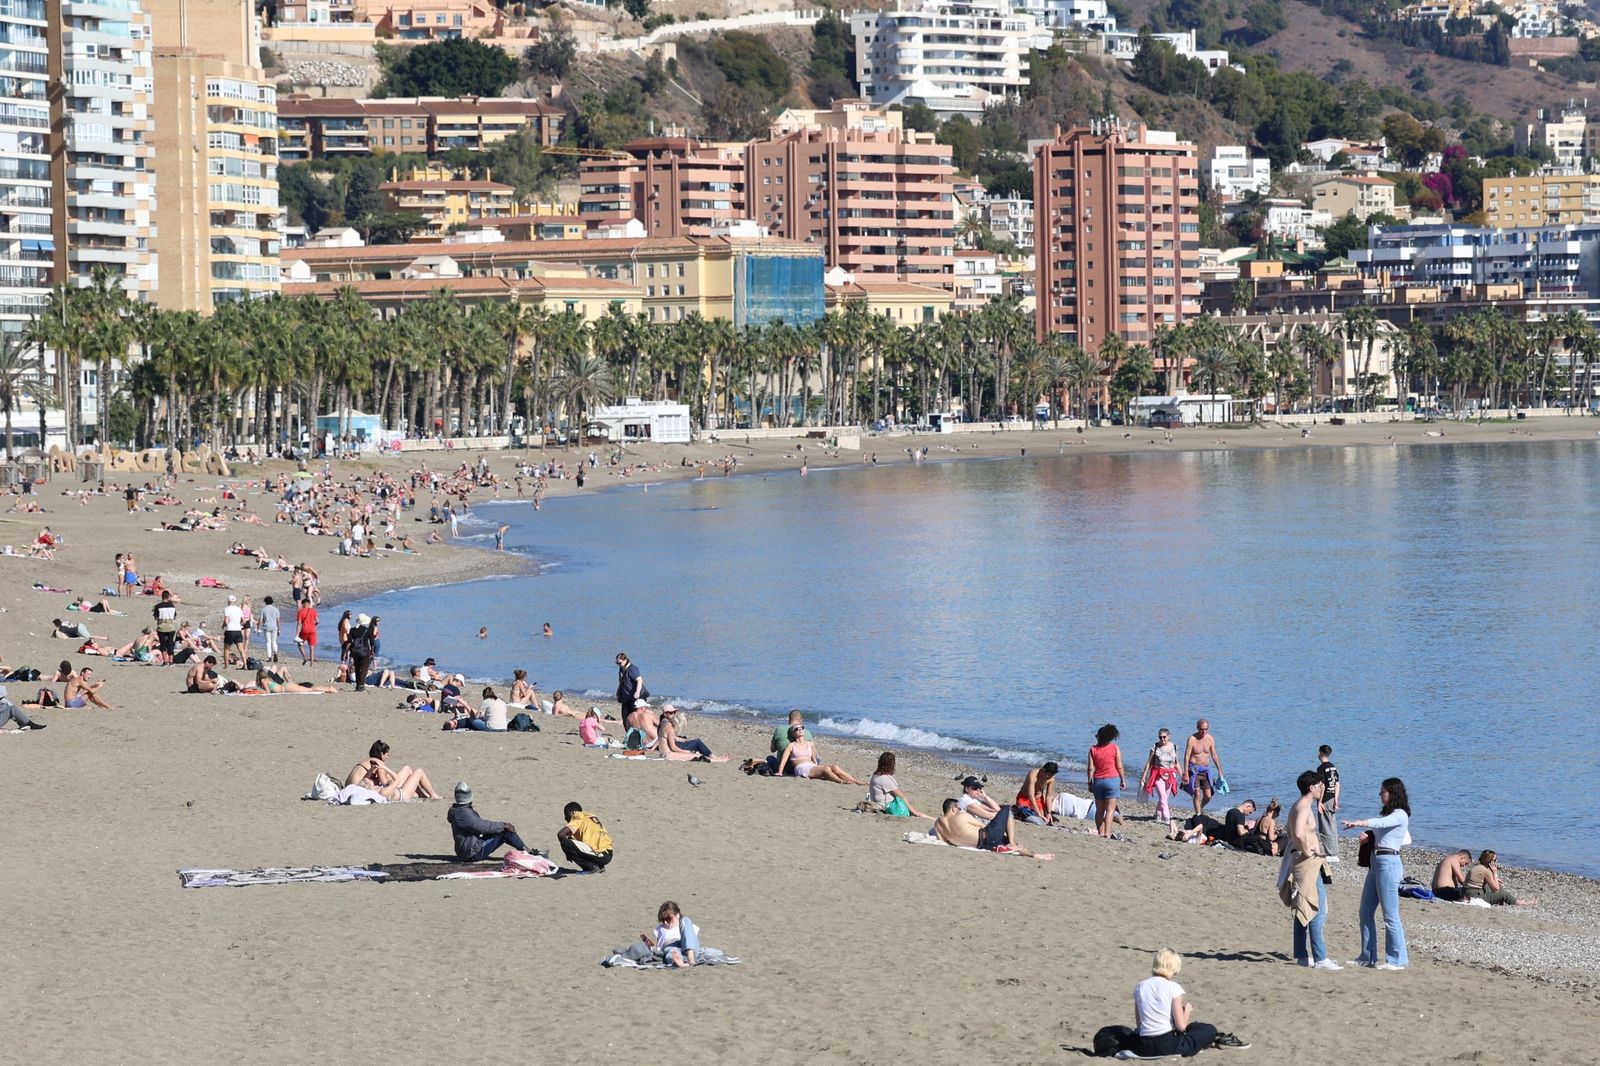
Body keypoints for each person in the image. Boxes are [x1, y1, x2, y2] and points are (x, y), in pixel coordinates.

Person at [1342, 776, 1411, 970]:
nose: (1380, 794)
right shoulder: (1388, 815)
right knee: (1365, 912)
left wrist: (1359, 823)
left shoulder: (1400, 814)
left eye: (1383, 791)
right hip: (1376, 862)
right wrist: (1368, 837)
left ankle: (1397, 960)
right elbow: (1381, 832)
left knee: (1390, 915)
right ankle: (1367, 956)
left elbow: (1382, 825)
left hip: (1388, 864)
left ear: (1393, 793)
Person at [1124, 949, 1246, 1057]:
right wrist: (1187, 1010)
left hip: (1143, 1046)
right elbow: (1181, 1027)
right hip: (1167, 1044)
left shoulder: (1140, 986)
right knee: (1209, 1029)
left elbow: (1140, 1025)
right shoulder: (1173, 987)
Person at [1283, 770, 1339, 970]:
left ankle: (1302, 955)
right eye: (1318, 785)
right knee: (1317, 908)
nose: (1322, 787)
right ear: (1310, 787)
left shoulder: (1300, 805)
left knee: (1303, 907)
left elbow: (1294, 831)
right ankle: (1321, 957)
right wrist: (1307, 850)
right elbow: (1297, 832)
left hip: (1304, 859)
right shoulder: (1304, 806)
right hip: (1306, 862)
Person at [932, 798, 1051, 859]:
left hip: (981, 845)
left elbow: (942, 841)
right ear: (953, 809)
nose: (959, 810)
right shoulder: (962, 816)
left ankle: (1032, 855)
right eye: (958, 808)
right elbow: (983, 826)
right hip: (988, 835)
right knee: (1007, 810)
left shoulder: (938, 824)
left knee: (1004, 839)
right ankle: (1014, 844)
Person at [448, 781, 529, 862]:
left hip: (466, 851)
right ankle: (528, 852)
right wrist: (504, 825)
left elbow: (480, 826)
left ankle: (526, 850)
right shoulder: (463, 813)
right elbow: (482, 827)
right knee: (505, 831)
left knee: (499, 829)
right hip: (471, 854)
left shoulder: (459, 811)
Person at [346, 740, 439, 800]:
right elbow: (383, 782)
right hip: (360, 786)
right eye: (386, 754)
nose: (388, 757)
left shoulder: (365, 761)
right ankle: (432, 794)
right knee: (411, 770)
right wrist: (388, 776)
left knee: (408, 770)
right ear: (381, 754)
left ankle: (422, 794)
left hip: (350, 786)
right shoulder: (378, 762)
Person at [775, 725, 859, 783]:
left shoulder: (810, 744)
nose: (800, 730)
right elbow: (784, 760)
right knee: (826, 769)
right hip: (801, 768)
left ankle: (855, 781)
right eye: (797, 729)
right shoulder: (791, 745)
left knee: (834, 767)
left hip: (812, 766)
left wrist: (816, 765)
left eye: (802, 728)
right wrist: (780, 772)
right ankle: (840, 781)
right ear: (793, 733)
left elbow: (814, 758)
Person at [863, 752, 933, 818]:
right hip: (887, 806)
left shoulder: (875, 775)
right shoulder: (885, 779)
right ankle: (933, 819)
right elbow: (901, 796)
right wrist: (913, 811)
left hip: (878, 802)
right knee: (917, 813)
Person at [1088, 724, 1126, 838]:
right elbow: (1119, 766)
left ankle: (1101, 831)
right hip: (1112, 780)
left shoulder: (1093, 749)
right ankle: (1107, 833)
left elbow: (1090, 768)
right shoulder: (1114, 748)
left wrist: (1089, 782)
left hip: (1098, 781)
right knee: (1110, 810)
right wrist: (1123, 779)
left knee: (1099, 810)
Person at [656, 705, 730, 762]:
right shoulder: (669, 728)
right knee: (698, 756)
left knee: (696, 749)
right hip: (668, 755)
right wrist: (686, 752)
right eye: (670, 713)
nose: (673, 714)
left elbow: (669, 738)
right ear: (665, 714)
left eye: (674, 712)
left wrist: (685, 740)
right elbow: (673, 748)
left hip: (663, 753)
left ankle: (716, 758)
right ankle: (719, 760)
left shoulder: (662, 723)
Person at [556, 801, 613, 872]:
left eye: (566, 814)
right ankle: (599, 866)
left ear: (573, 812)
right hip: (607, 853)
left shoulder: (578, 817)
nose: (565, 818)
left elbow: (561, 834)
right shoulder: (589, 816)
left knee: (566, 843)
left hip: (601, 854)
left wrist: (567, 853)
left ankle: (591, 867)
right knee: (572, 843)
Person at [1464, 850, 1536, 906]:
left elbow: (1481, 881)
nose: (1497, 861)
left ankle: (1503, 902)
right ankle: (1520, 903)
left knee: (1498, 885)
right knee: (1503, 893)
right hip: (1474, 896)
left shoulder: (1478, 867)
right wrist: (1495, 873)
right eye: (1495, 860)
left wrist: (1494, 879)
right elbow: (1496, 889)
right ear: (1490, 862)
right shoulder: (1486, 871)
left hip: (1467, 892)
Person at [1183, 719, 1225, 815]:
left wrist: (1220, 770)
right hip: (1194, 769)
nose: (1204, 732)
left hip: (1205, 770)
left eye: (1206, 729)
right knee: (1197, 793)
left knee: (1208, 796)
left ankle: (1200, 807)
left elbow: (1214, 755)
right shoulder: (1192, 739)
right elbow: (1186, 756)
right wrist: (1185, 772)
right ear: (1197, 728)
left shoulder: (1210, 738)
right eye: (1202, 729)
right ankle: (1198, 815)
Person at [641, 901, 699, 968]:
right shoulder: (660, 929)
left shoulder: (685, 924)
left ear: (677, 915)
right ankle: (679, 961)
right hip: (671, 947)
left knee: (710, 953)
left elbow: (692, 940)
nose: (666, 922)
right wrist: (651, 947)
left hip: (689, 948)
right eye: (663, 919)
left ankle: (689, 958)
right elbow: (659, 950)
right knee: (672, 953)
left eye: (668, 919)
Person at [1140, 727, 1181, 821]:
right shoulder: (1155, 747)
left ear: (1169, 736)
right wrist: (1144, 776)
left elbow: (1176, 763)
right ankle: (1166, 817)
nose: (1162, 739)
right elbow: (1149, 763)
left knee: (1165, 797)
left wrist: (1182, 775)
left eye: (1164, 737)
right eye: (1160, 737)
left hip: (1170, 775)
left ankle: (1158, 813)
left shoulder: (1174, 747)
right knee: (1162, 796)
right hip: (1158, 774)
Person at [1315, 744, 1341, 861]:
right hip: (1332, 798)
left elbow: (1322, 785)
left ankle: (1331, 854)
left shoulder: (1321, 768)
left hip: (1325, 798)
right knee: (1332, 825)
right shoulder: (1333, 767)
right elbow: (1337, 784)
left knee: (1325, 826)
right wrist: (1336, 799)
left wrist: (1319, 801)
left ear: (1320, 753)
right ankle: (1335, 851)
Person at [1014, 761, 1058, 825]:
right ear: (1043, 770)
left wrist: (1048, 812)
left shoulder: (1051, 778)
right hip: (1025, 798)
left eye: (1051, 775)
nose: (1048, 777)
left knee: (1044, 818)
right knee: (1027, 814)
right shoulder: (1033, 775)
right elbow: (1030, 796)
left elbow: (1049, 796)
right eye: (1047, 775)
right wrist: (1039, 814)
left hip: (1038, 800)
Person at [254, 664, 338, 694]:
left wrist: (259, 692)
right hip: (286, 686)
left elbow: (267, 692)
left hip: (286, 688)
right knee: (309, 690)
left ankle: (329, 689)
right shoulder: (268, 679)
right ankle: (328, 689)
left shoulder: (263, 680)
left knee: (310, 690)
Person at [347, 613, 375, 693]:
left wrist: (346, 652)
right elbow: (372, 643)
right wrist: (372, 652)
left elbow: (349, 641)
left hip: (355, 652)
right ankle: (361, 686)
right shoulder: (367, 630)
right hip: (365, 652)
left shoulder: (352, 630)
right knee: (364, 669)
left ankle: (357, 686)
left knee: (357, 668)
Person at [152, 591, 179, 664]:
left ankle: (165, 661)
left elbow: (156, 617)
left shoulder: (158, 606)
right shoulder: (172, 606)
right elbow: (174, 617)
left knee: (163, 644)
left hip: (161, 627)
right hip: (170, 627)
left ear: (162, 597)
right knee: (170, 644)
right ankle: (171, 661)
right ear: (168, 597)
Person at [221, 594, 245, 669]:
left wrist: (223, 625)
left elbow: (226, 620)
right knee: (241, 649)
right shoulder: (239, 609)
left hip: (230, 630)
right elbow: (243, 621)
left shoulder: (227, 609)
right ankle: (245, 665)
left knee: (227, 648)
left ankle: (226, 665)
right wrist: (238, 623)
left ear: (228, 601)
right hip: (238, 630)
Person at [296, 599, 319, 664]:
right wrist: (313, 625)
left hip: (304, 630)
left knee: (300, 644)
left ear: (303, 604)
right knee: (312, 647)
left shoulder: (300, 612)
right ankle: (311, 663)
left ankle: (305, 657)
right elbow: (317, 621)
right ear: (309, 603)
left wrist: (297, 634)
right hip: (312, 630)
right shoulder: (313, 611)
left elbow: (299, 623)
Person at [260, 595, 281, 663]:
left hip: (266, 626)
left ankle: (269, 657)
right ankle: (275, 652)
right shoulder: (276, 609)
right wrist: (279, 629)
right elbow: (278, 620)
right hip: (274, 626)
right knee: (274, 641)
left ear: (265, 602)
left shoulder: (263, 609)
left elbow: (261, 619)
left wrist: (257, 628)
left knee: (268, 642)